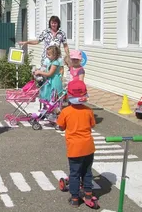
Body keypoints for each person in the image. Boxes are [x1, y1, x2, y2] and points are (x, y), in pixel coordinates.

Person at [56, 80, 96, 208]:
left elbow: (61, 127)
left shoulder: (66, 112)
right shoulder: (89, 111)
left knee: (74, 174)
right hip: (89, 147)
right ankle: (88, 194)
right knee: (87, 172)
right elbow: (92, 125)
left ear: (69, 95)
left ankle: (74, 198)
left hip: (74, 149)